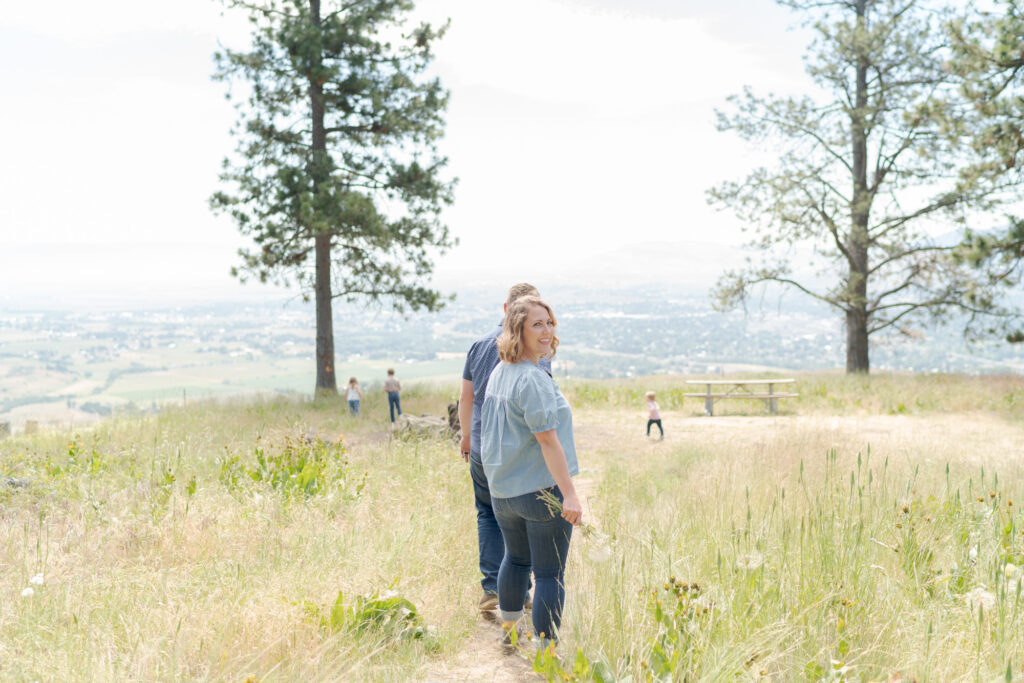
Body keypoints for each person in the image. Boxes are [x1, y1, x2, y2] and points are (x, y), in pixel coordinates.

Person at [481, 295, 581, 650]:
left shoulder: (499, 373)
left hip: (504, 490)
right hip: (540, 490)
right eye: (537, 324)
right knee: (550, 574)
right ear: (517, 330)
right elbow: (547, 441)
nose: (547, 330)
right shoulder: (532, 379)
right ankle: (547, 652)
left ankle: (509, 635)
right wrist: (569, 494)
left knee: (516, 559)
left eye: (549, 322)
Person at [459, 283, 550, 614]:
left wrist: (466, 437)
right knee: (520, 518)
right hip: (515, 452)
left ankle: (491, 587)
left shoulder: (478, 345)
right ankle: (517, 590)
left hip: (482, 446)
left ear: (504, 308)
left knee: (487, 514)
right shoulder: (533, 351)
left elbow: (466, 398)